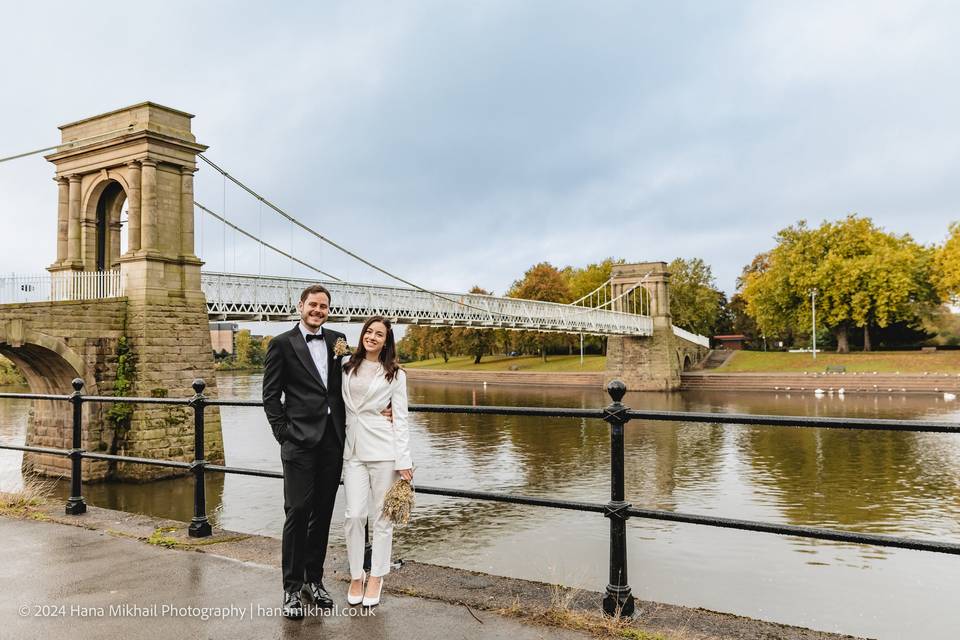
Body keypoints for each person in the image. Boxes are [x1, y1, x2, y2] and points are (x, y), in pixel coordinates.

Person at [262, 284, 347, 620]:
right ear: (300, 306)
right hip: (298, 443)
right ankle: (292, 588)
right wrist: (285, 435)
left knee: (322, 514)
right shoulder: (281, 344)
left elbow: (348, 385)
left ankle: (315, 580)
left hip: (332, 442)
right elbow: (270, 397)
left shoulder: (338, 340)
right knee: (297, 512)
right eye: (313, 305)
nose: (318, 311)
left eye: (324, 306)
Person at [341, 316, 413, 607]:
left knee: (383, 519)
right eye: (368, 332)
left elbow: (402, 419)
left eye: (378, 334)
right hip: (353, 451)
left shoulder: (395, 374)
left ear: (386, 341)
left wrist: (404, 460)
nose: (372, 337)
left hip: (384, 452)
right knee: (355, 515)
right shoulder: (345, 366)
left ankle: (376, 577)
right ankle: (356, 574)